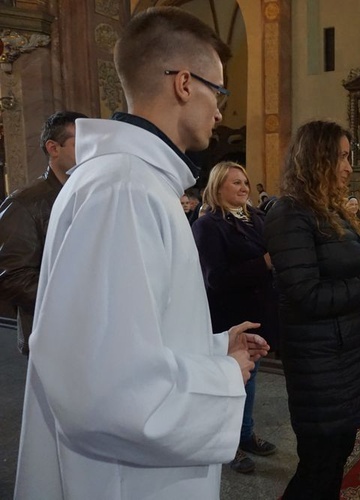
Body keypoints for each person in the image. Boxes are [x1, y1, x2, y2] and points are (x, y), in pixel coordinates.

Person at [15, 8, 269, 500]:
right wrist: (224, 375)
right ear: (183, 83)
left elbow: (126, 334)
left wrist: (216, 346)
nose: (220, 111)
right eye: (218, 91)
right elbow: (107, 388)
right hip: (126, 479)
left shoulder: (131, 181)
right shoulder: (124, 188)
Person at [264, 120, 360, 499]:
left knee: (335, 455)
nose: (350, 166)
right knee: (317, 464)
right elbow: (308, 294)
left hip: (345, 350)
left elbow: (345, 271)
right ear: (317, 159)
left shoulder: (328, 210)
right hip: (319, 359)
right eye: (343, 157)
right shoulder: (290, 213)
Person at [192, 161, 279, 475]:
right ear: (217, 187)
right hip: (227, 317)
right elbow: (214, 278)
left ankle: (245, 433)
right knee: (230, 382)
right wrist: (264, 263)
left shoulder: (257, 217)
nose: (244, 187)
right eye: (236, 183)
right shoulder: (208, 225)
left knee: (250, 378)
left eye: (245, 182)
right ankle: (228, 445)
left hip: (257, 312)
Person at [0, 110, 86, 356]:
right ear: (53, 148)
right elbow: (12, 277)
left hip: (90, 331)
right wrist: (78, 298)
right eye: (81, 144)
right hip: (50, 337)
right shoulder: (24, 203)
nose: (92, 152)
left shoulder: (90, 194)